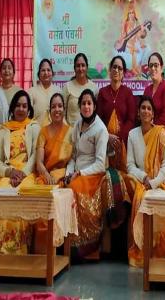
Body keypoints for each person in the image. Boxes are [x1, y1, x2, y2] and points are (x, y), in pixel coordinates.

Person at [65, 89, 120, 259]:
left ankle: (85, 249)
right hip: (77, 171)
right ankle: (67, 246)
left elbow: (99, 164)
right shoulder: (76, 125)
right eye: (83, 103)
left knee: (73, 189)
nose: (86, 106)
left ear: (94, 106)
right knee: (62, 186)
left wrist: (80, 173)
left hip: (93, 174)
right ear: (79, 106)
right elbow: (73, 155)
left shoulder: (100, 129)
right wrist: (69, 172)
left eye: (89, 103)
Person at [0, 90, 40, 255]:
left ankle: (20, 250)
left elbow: (35, 155)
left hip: (26, 174)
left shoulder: (33, 126)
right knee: (4, 193)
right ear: (13, 108)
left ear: (29, 109)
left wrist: (22, 173)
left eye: (24, 106)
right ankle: (2, 249)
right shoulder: (4, 129)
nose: (21, 109)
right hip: (8, 173)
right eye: (18, 105)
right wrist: (9, 171)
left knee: (22, 193)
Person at [126, 95, 165, 267]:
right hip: (141, 180)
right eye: (143, 108)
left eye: (149, 108)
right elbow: (130, 165)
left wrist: (154, 182)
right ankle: (142, 250)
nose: (146, 111)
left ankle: (159, 254)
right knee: (141, 198)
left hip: (160, 182)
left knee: (159, 200)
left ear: (153, 114)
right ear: (138, 112)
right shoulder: (132, 135)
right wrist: (144, 177)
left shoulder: (161, 133)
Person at [97, 56, 136, 182]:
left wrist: (119, 139)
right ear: (110, 70)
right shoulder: (103, 92)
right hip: (104, 143)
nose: (116, 70)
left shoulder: (128, 93)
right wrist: (107, 136)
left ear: (123, 73)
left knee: (123, 177)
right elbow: (98, 120)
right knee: (106, 177)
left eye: (120, 68)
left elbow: (131, 119)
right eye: (114, 67)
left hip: (123, 144)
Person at [35, 93, 73, 187]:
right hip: (46, 177)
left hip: (65, 176)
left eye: (60, 106)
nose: (57, 110)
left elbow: (74, 159)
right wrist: (47, 175)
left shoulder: (71, 132)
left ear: (64, 109)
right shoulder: (43, 131)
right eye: (53, 107)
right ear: (50, 110)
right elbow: (39, 162)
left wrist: (66, 175)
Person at [143, 52, 165, 133]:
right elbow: (143, 113)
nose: (153, 68)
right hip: (147, 133)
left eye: (156, 65)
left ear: (162, 68)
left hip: (163, 135)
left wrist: (151, 130)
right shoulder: (147, 90)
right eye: (151, 66)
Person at [63, 53, 98, 126]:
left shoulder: (94, 88)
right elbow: (62, 113)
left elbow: (96, 113)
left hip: (89, 133)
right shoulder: (67, 87)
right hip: (70, 132)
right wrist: (68, 130)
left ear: (87, 67)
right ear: (74, 68)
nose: (81, 68)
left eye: (83, 65)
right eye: (78, 66)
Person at [28, 59, 61, 126]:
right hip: (36, 133)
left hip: (55, 133)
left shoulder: (58, 91)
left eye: (48, 70)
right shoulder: (31, 92)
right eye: (43, 70)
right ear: (39, 74)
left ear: (52, 73)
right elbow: (28, 116)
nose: (46, 73)